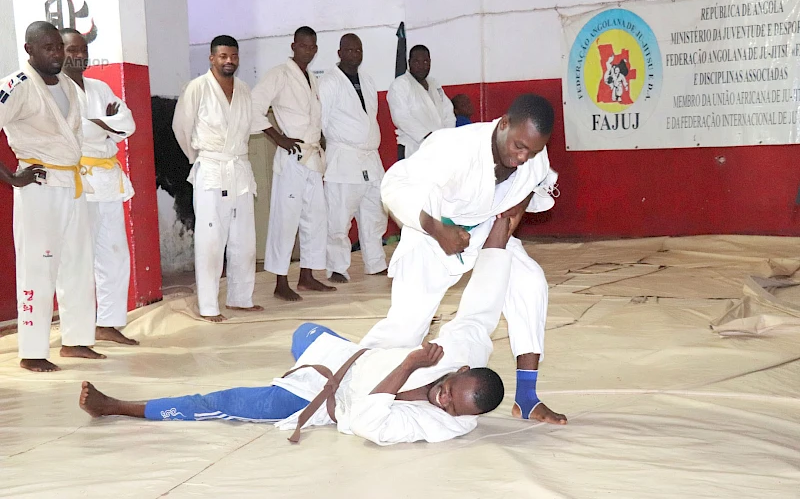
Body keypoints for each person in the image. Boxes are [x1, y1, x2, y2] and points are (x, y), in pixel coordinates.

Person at [78, 217, 521, 446]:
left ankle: (118, 407)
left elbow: (368, 421)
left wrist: (409, 364)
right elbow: (483, 305)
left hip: (327, 397)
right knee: (304, 331)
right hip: (352, 357)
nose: (441, 400)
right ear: (461, 370)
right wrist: (502, 228)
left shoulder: (442, 426)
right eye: (447, 390)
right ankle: (309, 362)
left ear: (465, 419)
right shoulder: (461, 350)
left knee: (224, 402)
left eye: (451, 407)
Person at [360, 94, 567, 425]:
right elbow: (395, 186)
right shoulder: (453, 147)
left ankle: (527, 398)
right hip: (432, 234)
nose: (522, 156)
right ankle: (351, 379)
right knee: (406, 327)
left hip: (485, 229)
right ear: (503, 125)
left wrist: (516, 208)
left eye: (532, 150)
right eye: (518, 146)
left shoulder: (533, 159)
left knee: (529, 282)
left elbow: (538, 184)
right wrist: (437, 228)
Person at [0, 22, 102, 372]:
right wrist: (12, 178)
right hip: (38, 186)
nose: (57, 53)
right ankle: (31, 351)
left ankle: (75, 341)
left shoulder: (67, 85)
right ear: (29, 50)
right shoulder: (17, 86)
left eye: (59, 46)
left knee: (77, 263)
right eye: (48, 48)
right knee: (38, 268)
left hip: (71, 184)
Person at [172, 35, 263, 322]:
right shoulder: (197, 88)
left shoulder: (245, 89)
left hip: (239, 168)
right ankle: (209, 305)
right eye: (223, 56)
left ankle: (240, 297)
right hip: (211, 167)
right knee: (211, 240)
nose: (229, 61)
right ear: (212, 58)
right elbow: (181, 128)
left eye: (233, 56)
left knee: (244, 238)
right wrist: (199, 159)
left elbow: (249, 127)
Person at [60, 28, 138, 345]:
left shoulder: (100, 87)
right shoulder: (56, 91)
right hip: (78, 181)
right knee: (79, 258)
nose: (79, 56)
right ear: (58, 52)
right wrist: (106, 124)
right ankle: (77, 330)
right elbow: (76, 131)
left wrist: (101, 123)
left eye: (83, 50)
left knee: (115, 255)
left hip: (107, 181)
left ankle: (108, 322)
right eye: (71, 50)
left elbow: (128, 124)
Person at [252, 26, 335, 301]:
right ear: (293, 46)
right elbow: (254, 107)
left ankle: (308, 276)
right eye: (303, 45)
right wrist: (279, 138)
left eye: (312, 46)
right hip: (292, 158)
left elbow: (313, 116)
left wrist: (319, 136)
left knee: (315, 218)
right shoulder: (279, 74)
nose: (307, 50)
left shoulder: (312, 77)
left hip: (312, 157)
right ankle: (280, 281)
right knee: (285, 220)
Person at [319, 33, 387, 284]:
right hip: (343, 158)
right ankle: (337, 267)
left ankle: (375, 262)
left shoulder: (367, 81)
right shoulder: (328, 83)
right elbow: (321, 122)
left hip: (370, 158)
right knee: (339, 217)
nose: (354, 54)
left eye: (358, 50)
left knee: (374, 212)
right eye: (349, 50)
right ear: (339, 53)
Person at [387, 45, 455, 160]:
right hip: (414, 147)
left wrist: (445, 136)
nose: (422, 66)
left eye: (425, 61)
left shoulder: (434, 84)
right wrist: (428, 136)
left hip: (439, 146)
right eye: (417, 62)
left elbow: (448, 112)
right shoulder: (400, 84)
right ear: (409, 62)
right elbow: (402, 118)